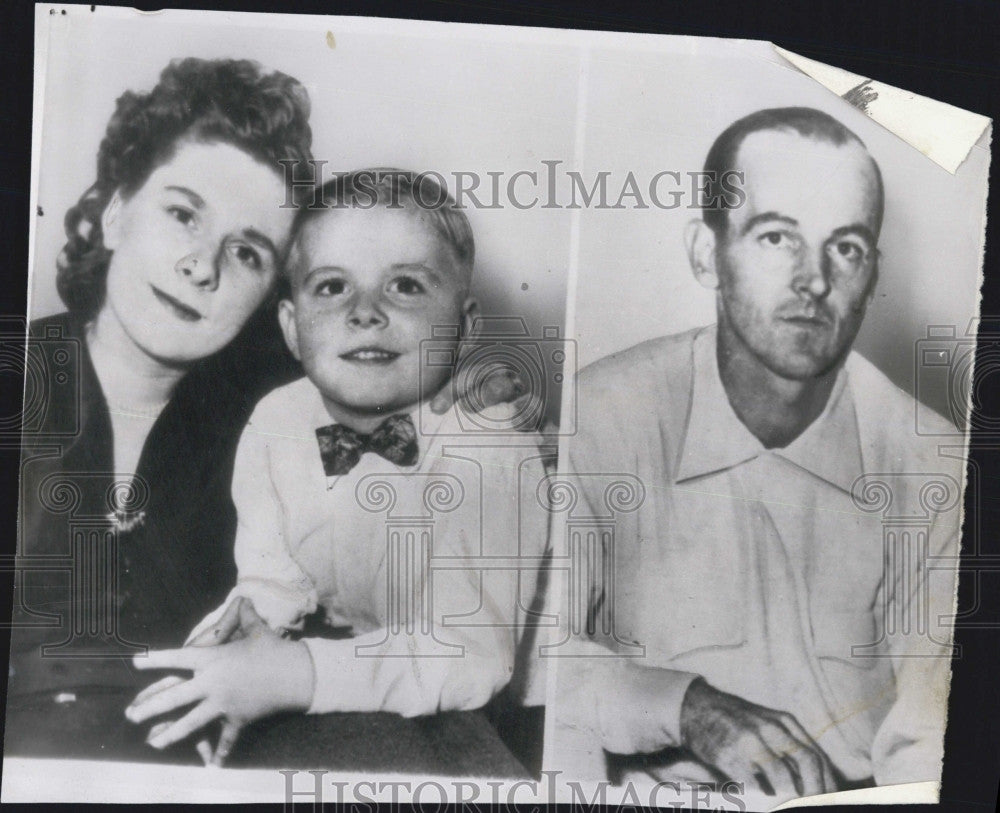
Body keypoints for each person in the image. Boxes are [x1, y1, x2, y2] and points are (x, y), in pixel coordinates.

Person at [6, 61, 525, 764]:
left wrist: (475, 398)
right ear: (116, 210)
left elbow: (405, 393)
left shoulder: (280, 412)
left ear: (271, 302)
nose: (203, 266)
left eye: (247, 252)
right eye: (183, 213)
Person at [549, 107, 961, 803]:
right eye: (777, 237)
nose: (814, 280)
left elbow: (933, 745)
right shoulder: (603, 416)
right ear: (706, 253)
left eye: (847, 248)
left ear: (871, 275)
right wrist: (686, 705)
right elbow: (529, 652)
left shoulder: (938, 467)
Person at [122, 170, 551, 765]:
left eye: (404, 285)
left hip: (511, 712)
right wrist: (229, 647)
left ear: (466, 327)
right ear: (293, 330)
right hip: (369, 680)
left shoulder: (487, 438)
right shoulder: (276, 418)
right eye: (331, 287)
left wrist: (294, 674)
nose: (366, 312)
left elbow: (470, 657)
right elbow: (274, 582)